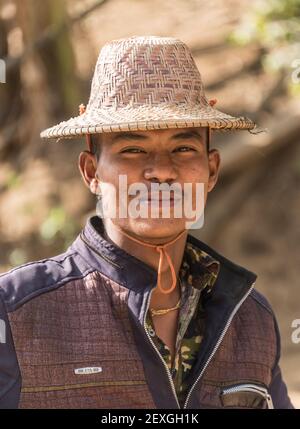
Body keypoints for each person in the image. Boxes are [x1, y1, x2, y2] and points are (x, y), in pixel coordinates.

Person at [0, 36, 293, 409]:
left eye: (183, 148)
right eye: (133, 149)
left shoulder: (250, 318)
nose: (161, 172)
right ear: (91, 171)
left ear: (212, 169)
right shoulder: (16, 312)